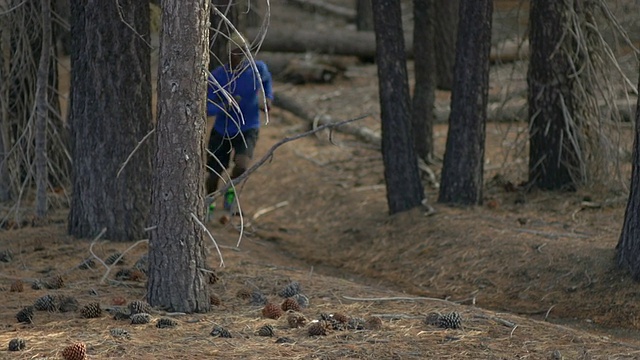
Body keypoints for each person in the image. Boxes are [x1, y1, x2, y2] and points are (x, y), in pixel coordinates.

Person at [206, 32, 273, 219]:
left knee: (242, 165)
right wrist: (224, 105)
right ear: (230, 55)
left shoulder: (257, 69)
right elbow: (206, 108)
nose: (243, 57)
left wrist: (268, 98)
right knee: (213, 172)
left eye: (246, 52)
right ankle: (209, 201)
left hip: (249, 127)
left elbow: (266, 81)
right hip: (223, 130)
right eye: (238, 52)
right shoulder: (218, 76)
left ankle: (230, 194)